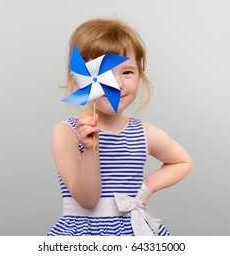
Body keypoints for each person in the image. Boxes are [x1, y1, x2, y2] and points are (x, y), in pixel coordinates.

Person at [48, 18, 192, 236]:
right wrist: (89, 148)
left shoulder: (143, 132)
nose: (117, 84)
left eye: (127, 72)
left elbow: (182, 161)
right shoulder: (66, 133)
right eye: (103, 75)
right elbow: (87, 200)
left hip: (133, 230)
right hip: (85, 233)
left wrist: (148, 186)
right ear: (78, 81)